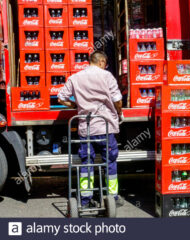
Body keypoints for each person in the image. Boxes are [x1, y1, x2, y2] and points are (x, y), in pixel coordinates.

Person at [57, 50, 124, 208]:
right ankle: (112, 197)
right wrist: (119, 113)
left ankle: (85, 200)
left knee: (86, 163)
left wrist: (74, 105)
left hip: (85, 129)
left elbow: (61, 98)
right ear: (101, 62)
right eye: (105, 64)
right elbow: (118, 101)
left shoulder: (75, 78)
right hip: (105, 128)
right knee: (110, 161)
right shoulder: (107, 76)